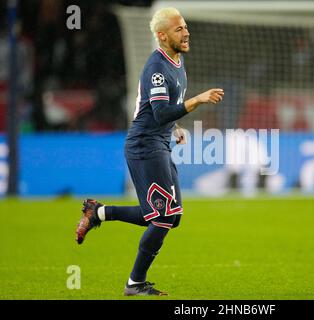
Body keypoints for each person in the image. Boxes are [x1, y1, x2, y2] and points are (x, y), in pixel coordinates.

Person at [75, 7, 224, 296]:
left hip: (158, 143)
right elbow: (157, 114)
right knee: (163, 217)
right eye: (179, 29)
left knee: (169, 216)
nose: (186, 32)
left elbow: (164, 110)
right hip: (145, 145)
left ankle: (99, 213)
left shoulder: (176, 62)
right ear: (162, 35)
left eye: (185, 26)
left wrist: (176, 126)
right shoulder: (157, 67)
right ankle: (135, 283)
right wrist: (197, 101)